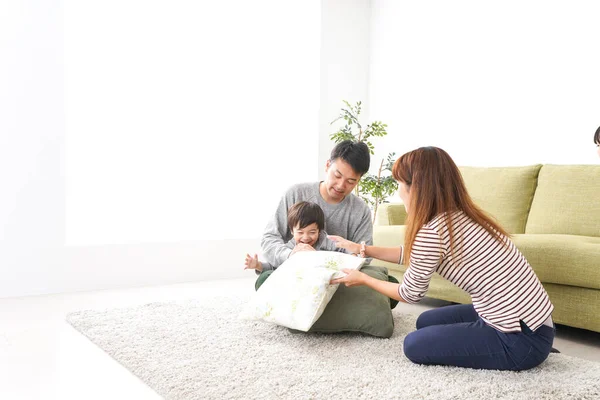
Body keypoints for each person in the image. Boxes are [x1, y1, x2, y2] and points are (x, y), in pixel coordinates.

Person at [329, 146, 555, 371]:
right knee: (424, 322)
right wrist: (364, 249)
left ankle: (503, 345)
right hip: (532, 323)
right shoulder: (459, 215)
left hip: (520, 340)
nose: (399, 192)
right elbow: (414, 255)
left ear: (416, 188)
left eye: (400, 184)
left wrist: (364, 279)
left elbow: (409, 294)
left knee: (414, 345)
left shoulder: (432, 231)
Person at [260, 139, 374, 270]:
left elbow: (364, 256)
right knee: (266, 277)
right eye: (337, 175)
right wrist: (291, 255)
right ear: (327, 166)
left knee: (378, 276)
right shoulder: (295, 193)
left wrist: (346, 260)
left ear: (359, 180)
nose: (341, 185)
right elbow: (269, 239)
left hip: (336, 273)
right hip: (291, 268)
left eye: (351, 181)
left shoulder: (361, 210)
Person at [245, 201, 344, 290]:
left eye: (312, 232)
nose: (306, 237)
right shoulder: (291, 247)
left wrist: (317, 257)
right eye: (300, 232)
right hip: (294, 283)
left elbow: (343, 255)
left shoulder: (327, 241)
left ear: (319, 231)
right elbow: (275, 266)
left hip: (318, 282)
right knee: (265, 277)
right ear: (292, 231)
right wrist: (257, 265)